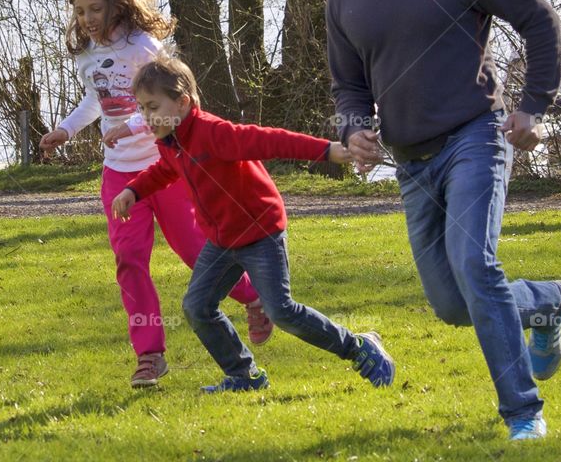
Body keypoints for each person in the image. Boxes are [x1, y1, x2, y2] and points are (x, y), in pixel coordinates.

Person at [299, 0, 561, 440]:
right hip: (411, 162)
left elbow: (538, 19)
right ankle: (547, 301)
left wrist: (533, 106)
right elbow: (348, 86)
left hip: (476, 135)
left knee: (476, 265)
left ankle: (524, 414)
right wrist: (354, 129)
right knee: (453, 305)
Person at [39, 0, 272, 389]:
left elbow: (167, 106)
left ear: (117, 4)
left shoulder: (143, 46)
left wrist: (129, 127)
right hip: (118, 176)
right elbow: (95, 100)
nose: (87, 19)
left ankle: (254, 297)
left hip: (165, 168)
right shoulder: (88, 55)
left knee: (195, 252)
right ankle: (150, 355)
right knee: (129, 260)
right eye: (80, 11)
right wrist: (66, 129)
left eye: (95, 8)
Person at [112, 56, 396, 393]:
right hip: (221, 242)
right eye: (142, 108)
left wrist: (328, 151)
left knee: (282, 311)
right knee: (197, 307)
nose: (146, 117)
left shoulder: (214, 133)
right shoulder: (173, 143)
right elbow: (164, 171)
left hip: (260, 233)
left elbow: (270, 140)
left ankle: (358, 346)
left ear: (183, 102)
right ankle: (244, 375)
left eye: (152, 106)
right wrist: (133, 190)